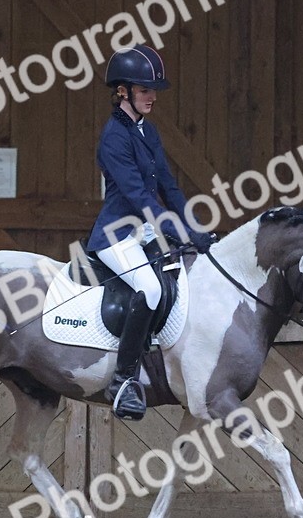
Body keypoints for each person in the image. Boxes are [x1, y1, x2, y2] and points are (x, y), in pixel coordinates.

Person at [85, 44, 214, 421]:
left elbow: (169, 188)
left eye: (153, 91)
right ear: (123, 91)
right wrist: (180, 231)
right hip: (116, 234)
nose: (152, 97)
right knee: (151, 288)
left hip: (143, 229)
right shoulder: (114, 137)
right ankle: (123, 379)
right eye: (145, 91)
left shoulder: (148, 131)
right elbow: (141, 197)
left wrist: (194, 229)